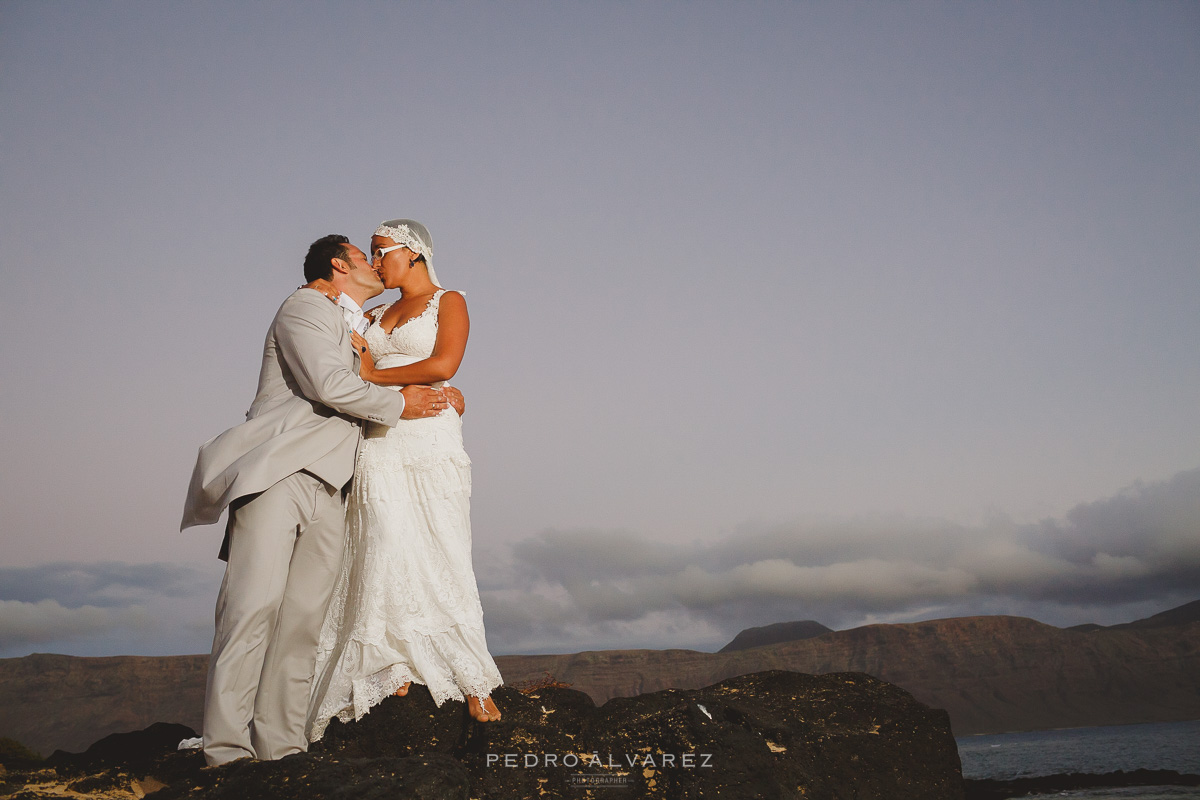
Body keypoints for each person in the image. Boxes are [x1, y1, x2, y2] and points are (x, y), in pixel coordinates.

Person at [180, 235, 462, 766]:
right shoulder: (304, 307)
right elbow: (329, 383)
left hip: (334, 487)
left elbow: (408, 359)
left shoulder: (360, 320)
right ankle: (226, 749)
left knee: (302, 620)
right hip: (279, 474)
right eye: (364, 256)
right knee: (250, 608)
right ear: (338, 263)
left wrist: (443, 391)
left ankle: (282, 747)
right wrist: (405, 402)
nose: (376, 264)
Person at [307, 219, 502, 743]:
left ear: (413, 253)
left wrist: (378, 375)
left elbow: (443, 363)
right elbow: (343, 373)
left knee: (443, 540)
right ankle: (392, 661)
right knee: (383, 539)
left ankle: (472, 676)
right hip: (379, 437)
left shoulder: (450, 300)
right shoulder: (369, 314)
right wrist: (370, 377)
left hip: (431, 437)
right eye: (368, 254)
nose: (373, 263)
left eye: (381, 252)